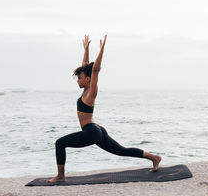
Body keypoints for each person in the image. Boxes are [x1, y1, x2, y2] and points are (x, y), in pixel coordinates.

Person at [47, 35, 161, 183]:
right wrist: (86, 49)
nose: (78, 81)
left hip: (91, 131)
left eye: (79, 78)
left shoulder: (91, 93)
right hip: (96, 130)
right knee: (121, 150)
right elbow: (86, 68)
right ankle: (154, 157)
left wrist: (101, 50)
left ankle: (61, 176)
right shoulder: (85, 90)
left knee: (60, 143)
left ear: (87, 80)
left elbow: (94, 71)